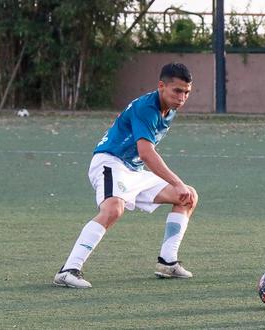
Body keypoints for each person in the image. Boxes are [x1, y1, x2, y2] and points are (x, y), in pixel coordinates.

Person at [53, 63, 199, 288]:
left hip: (133, 169)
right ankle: (68, 270)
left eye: (187, 92)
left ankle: (167, 262)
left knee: (187, 196)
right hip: (110, 161)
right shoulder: (146, 108)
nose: (182, 97)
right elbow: (146, 153)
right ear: (161, 86)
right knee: (113, 209)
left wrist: (179, 187)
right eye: (177, 91)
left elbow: (144, 156)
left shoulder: (169, 110)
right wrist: (176, 182)